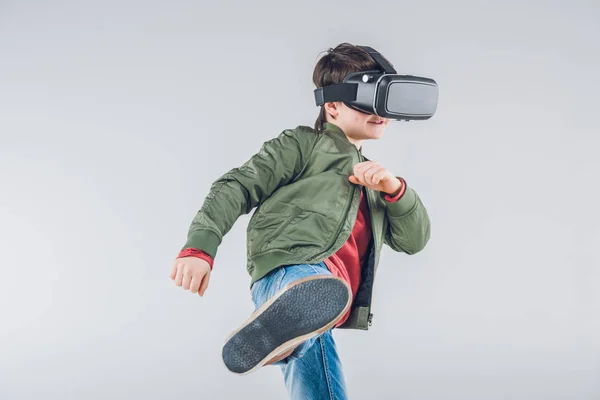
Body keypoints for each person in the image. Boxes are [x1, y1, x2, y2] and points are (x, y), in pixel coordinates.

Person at [169, 42, 431, 399]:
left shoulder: (374, 183)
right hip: (288, 274)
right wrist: (199, 248)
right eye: (368, 99)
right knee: (310, 287)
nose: (380, 112)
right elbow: (236, 187)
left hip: (326, 302)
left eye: (385, 101)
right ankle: (293, 320)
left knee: (322, 386)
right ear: (333, 105)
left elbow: (413, 241)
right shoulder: (303, 145)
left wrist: (395, 189)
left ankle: (289, 337)